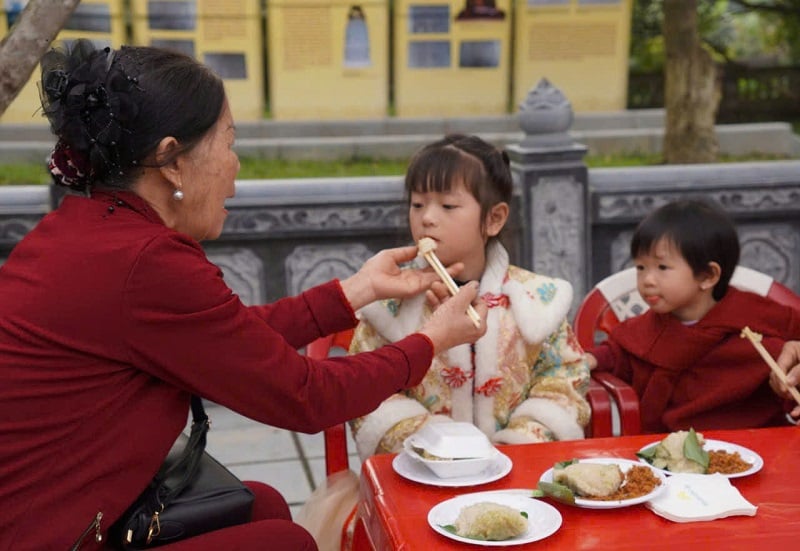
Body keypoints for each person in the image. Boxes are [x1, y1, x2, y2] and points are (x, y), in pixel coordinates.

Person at [0, 41, 487, 551]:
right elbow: (306, 396)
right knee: (284, 541)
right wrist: (429, 340)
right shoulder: (147, 262)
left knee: (265, 504)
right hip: (43, 533)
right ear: (171, 161)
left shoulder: (86, 230)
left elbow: (229, 340)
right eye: (228, 144)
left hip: (68, 508)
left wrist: (357, 290)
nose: (236, 167)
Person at [350, 134, 591, 457]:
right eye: (417, 204)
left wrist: (521, 440)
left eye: (448, 206)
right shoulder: (389, 303)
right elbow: (365, 385)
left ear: (494, 219)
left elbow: (563, 376)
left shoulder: (534, 299)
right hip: (422, 472)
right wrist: (436, 443)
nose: (427, 218)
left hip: (516, 468)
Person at [587, 199, 800, 433]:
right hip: (669, 447)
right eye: (641, 267)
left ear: (708, 276)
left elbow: (792, 359)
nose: (647, 280)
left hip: (754, 443)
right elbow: (620, 353)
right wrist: (591, 360)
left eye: (662, 268)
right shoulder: (646, 328)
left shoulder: (757, 319)